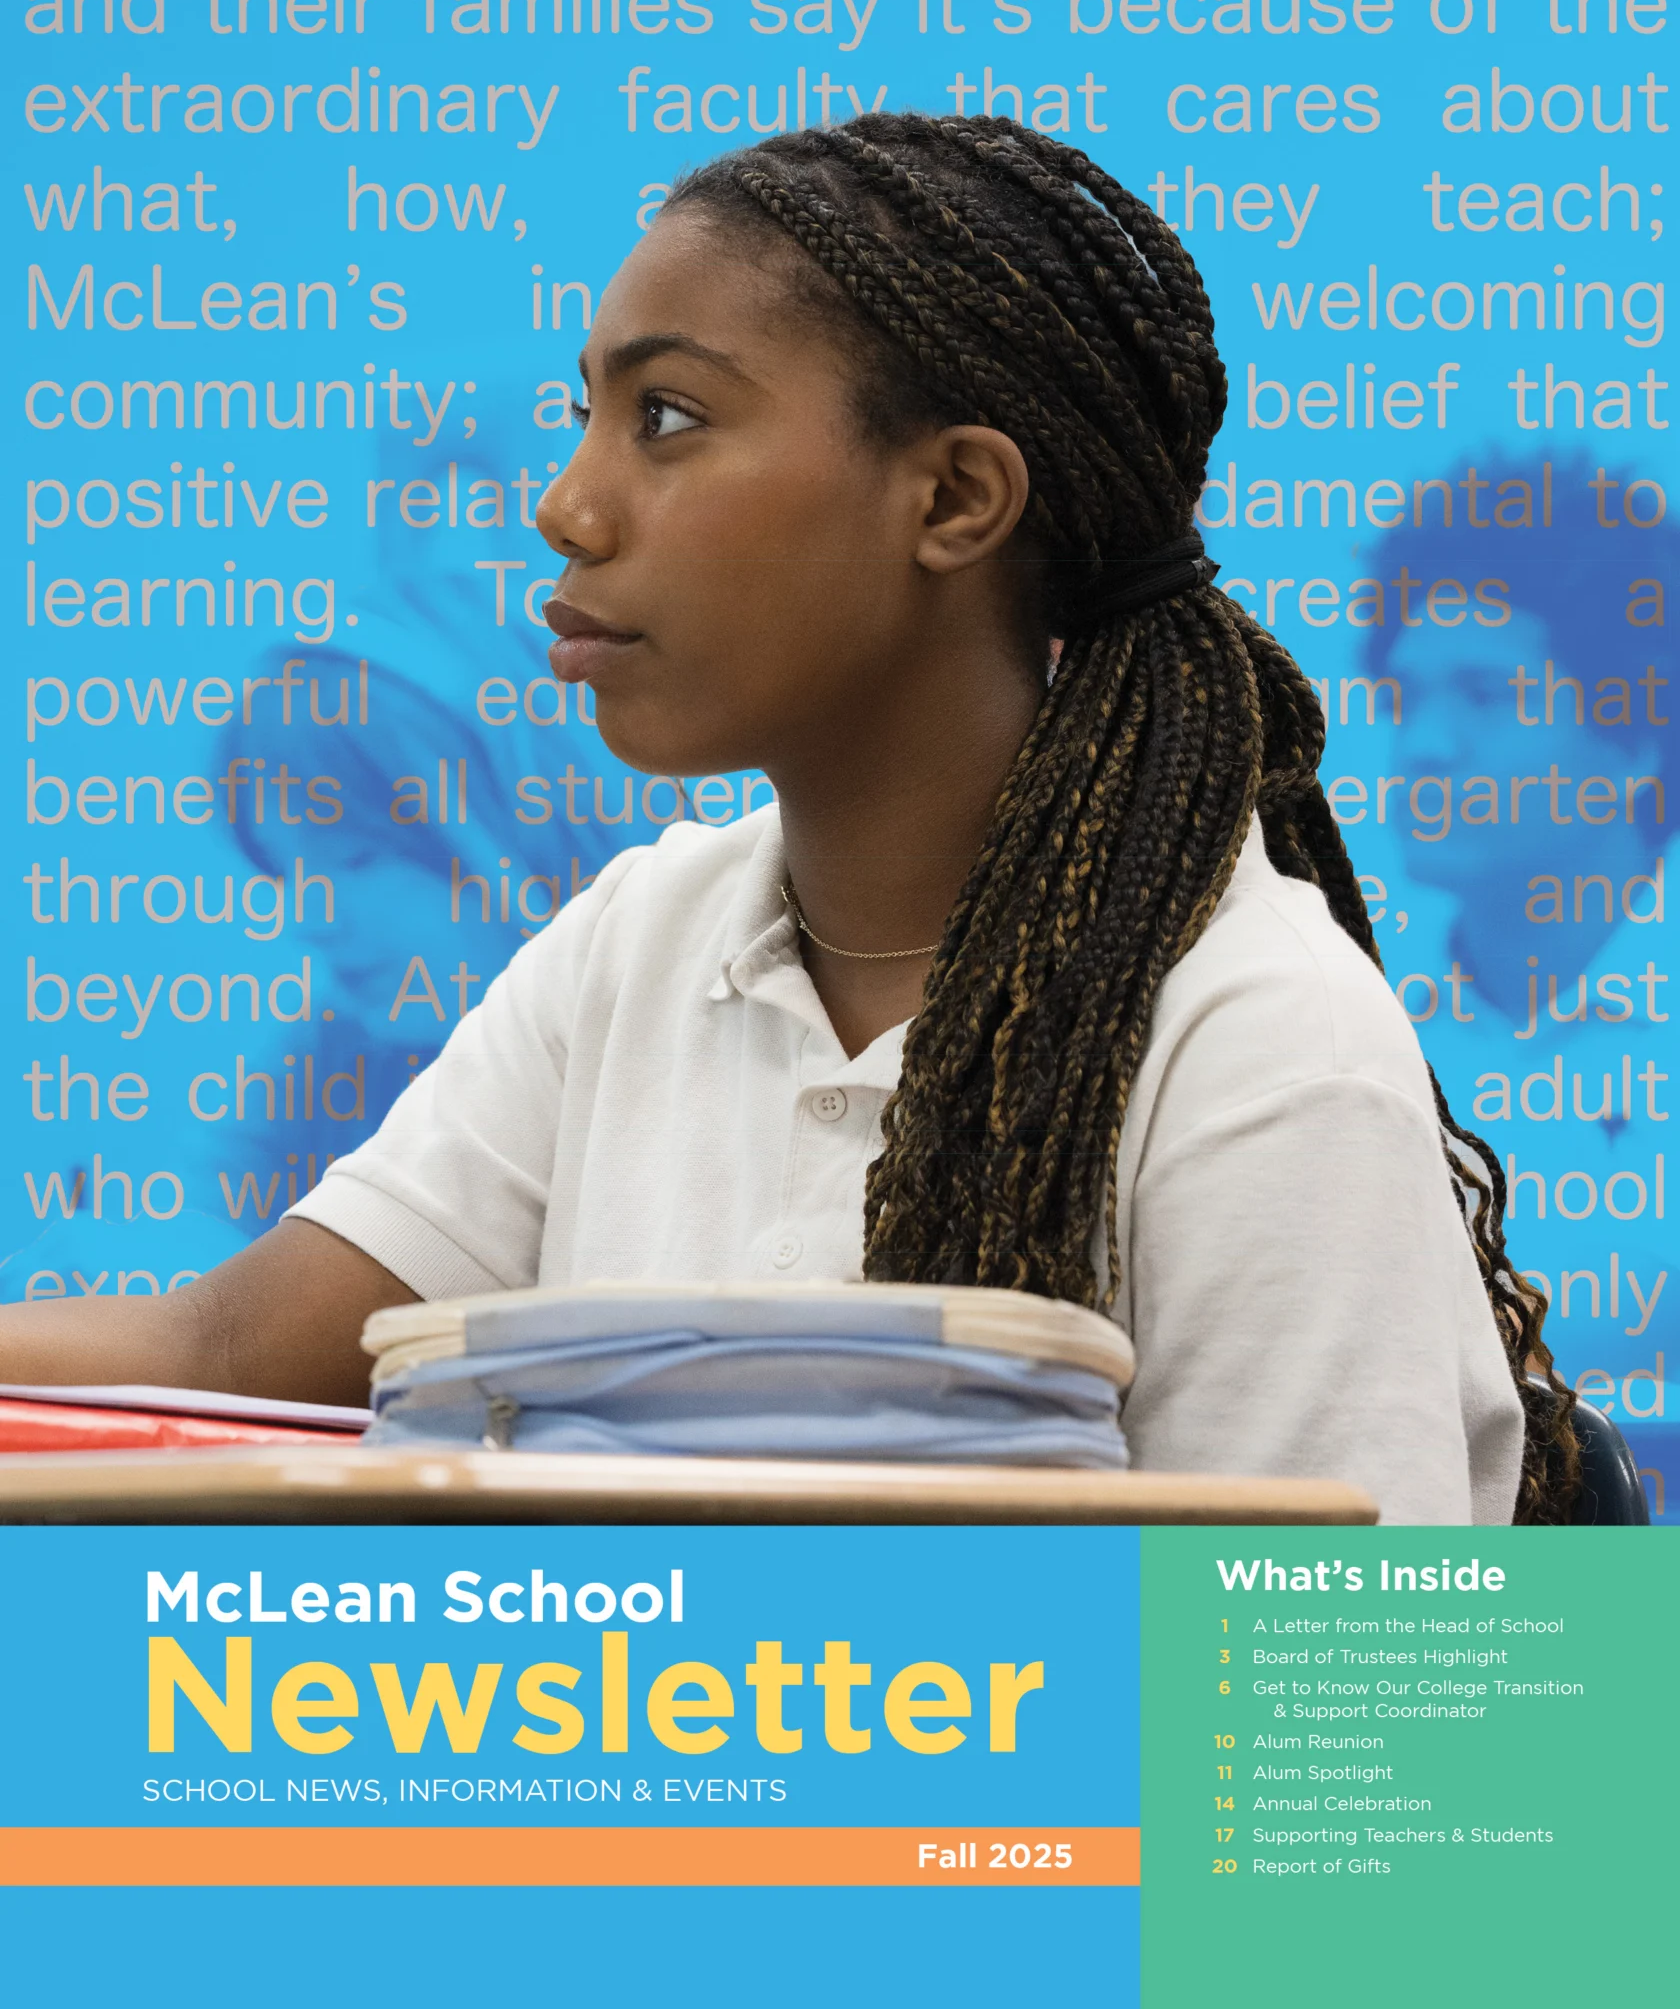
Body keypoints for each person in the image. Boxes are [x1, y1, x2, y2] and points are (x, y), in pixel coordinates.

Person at [0, 116, 1572, 1523]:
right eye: (586, 414)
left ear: (954, 498)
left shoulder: (1261, 1040)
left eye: (668, 418)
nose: (566, 503)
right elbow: (224, 1348)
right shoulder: (635, 941)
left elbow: (1330, 1764)